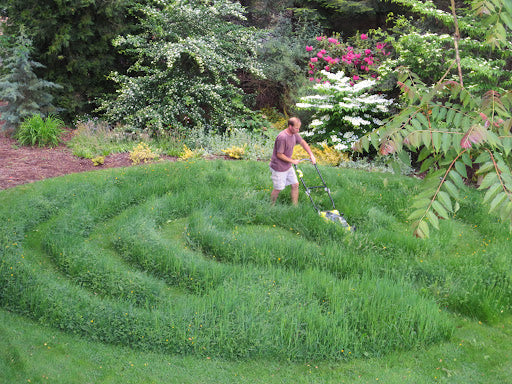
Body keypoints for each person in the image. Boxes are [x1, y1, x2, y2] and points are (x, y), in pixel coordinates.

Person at [269, 117, 316, 205]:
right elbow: (279, 154)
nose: (298, 130)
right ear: (290, 126)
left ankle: (295, 207)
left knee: (295, 184)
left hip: (287, 166)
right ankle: (271, 206)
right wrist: (292, 161)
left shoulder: (294, 134)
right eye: (296, 128)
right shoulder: (282, 137)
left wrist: (311, 155)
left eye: (299, 128)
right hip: (278, 167)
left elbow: (303, 143)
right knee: (278, 189)